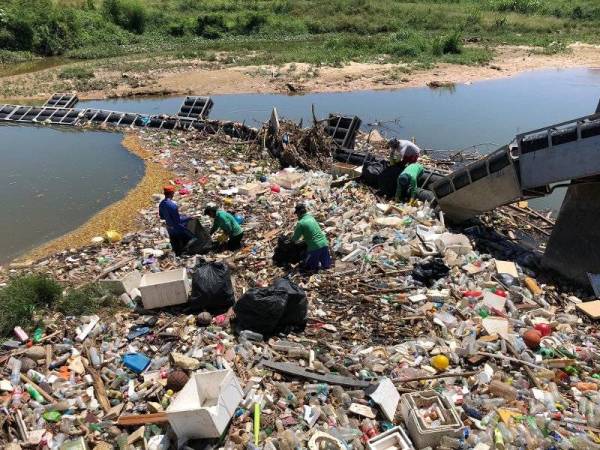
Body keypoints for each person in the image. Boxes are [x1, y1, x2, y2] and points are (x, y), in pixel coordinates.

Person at [291, 204, 331, 272]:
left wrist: (289, 242)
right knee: (327, 266)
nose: (297, 215)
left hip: (314, 247)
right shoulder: (311, 218)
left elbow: (295, 238)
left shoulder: (301, 223)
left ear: (299, 213)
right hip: (324, 243)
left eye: (297, 214)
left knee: (311, 268)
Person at [159, 185, 193, 256]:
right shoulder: (173, 206)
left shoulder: (161, 204)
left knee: (175, 243)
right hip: (176, 228)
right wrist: (189, 218)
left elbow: (162, 217)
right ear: (172, 193)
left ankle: (177, 253)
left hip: (169, 227)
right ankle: (185, 252)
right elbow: (178, 221)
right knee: (189, 238)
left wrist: (169, 217)